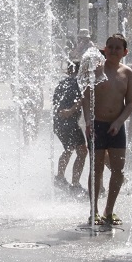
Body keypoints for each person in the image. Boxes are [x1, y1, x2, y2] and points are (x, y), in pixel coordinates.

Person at [81, 34, 132, 226]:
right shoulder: (96, 70)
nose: (113, 50)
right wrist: (88, 122)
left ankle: (109, 211)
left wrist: (119, 122)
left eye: (117, 48)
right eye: (110, 47)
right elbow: (86, 98)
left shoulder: (127, 73)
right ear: (105, 49)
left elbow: (130, 103)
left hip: (116, 127)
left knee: (118, 170)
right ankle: (93, 210)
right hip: (97, 125)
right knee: (96, 170)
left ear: (125, 52)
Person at [52, 63, 87, 196]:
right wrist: (71, 111)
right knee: (82, 151)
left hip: (59, 122)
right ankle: (75, 184)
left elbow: (56, 102)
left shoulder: (62, 83)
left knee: (69, 148)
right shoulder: (78, 82)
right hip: (69, 121)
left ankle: (60, 178)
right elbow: (83, 99)